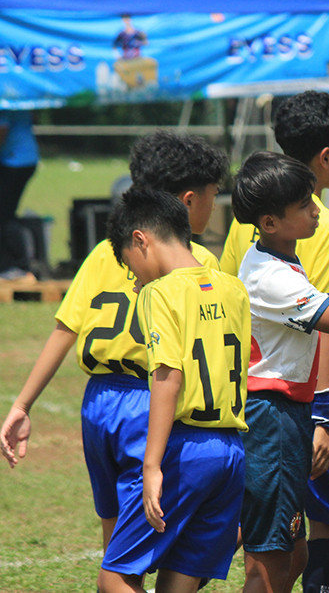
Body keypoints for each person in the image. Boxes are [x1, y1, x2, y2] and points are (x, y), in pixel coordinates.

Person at [0, 131, 227, 565]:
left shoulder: (106, 252)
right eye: (212, 197)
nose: (214, 208)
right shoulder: (200, 265)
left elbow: (65, 331)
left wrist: (22, 405)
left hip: (98, 406)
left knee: (116, 535)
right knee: (149, 544)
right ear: (186, 200)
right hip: (149, 403)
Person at [230, 151, 329, 593]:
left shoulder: (276, 259)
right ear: (269, 222)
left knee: (293, 552)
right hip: (272, 420)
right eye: (303, 205)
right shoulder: (272, 278)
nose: (315, 210)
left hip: (287, 416)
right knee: (269, 568)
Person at [219, 90, 329, 593]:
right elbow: (327, 320)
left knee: (277, 540)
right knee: (326, 518)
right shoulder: (326, 223)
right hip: (292, 401)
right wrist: (325, 415)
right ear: (327, 157)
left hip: (246, 393)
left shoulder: (251, 215)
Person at [98, 187, 250, 593]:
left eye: (129, 264)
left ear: (139, 240)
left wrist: (151, 465)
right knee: (179, 581)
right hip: (231, 452)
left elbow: (168, 376)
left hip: (187, 451)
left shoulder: (158, 293)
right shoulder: (233, 288)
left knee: (114, 576)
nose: (133, 275)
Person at [0, 109, 40, 281]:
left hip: (15, 161)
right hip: (23, 158)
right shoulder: (17, 89)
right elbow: (33, 116)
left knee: (4, 215)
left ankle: (18, 268)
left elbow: (2, 131)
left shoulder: (4, 95)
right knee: (5, 213)